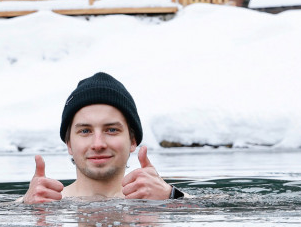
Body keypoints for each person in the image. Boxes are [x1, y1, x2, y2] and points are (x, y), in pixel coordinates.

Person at [21, 72, 184, 203]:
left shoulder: (165, 198)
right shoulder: (41, 203)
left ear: (133, 140)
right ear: (69, 144)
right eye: (85, 131)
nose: (98, 144)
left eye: (111, 129)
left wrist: (171, 197)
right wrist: (27, 207)